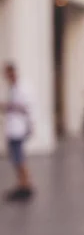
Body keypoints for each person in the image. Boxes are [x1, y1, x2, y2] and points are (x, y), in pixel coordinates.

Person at [1, 63, 34, 201]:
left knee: (19, 158)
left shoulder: (22, 87)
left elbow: (26, 107)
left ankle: (26, 185)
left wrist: (8, 106)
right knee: (16, 158)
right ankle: (21, 184)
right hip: (13, 127)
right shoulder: (13, 88)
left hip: (18, 128)